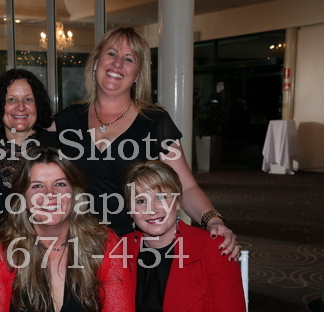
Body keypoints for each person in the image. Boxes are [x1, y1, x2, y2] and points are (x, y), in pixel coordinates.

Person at [53, 26, 239, 260]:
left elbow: (186, 186)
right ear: (96, 62)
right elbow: (27, 146)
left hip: (133, 246)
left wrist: (213, 220)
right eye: (111, 53)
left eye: (129, 59)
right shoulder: (67, 119)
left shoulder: (155, 122)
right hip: (77, 245)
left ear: (138, 75)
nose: (117, 63)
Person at [0, 146, 138, 312]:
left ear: (74, 193)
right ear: (21, 197)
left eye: (60, 184)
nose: (50, 194)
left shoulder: (105, 243)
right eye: (37, 186)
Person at [122, 160, 266, 312]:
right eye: (140, 200)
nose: (151, 209)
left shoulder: (213, 248)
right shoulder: (121, 249)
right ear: (130, 209)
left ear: (178, 202)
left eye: (162, 197)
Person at [0, 68, 59, 232]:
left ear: (38, 105)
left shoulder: (60, 149)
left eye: (28, 99)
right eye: (11, 100)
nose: (21, 107)